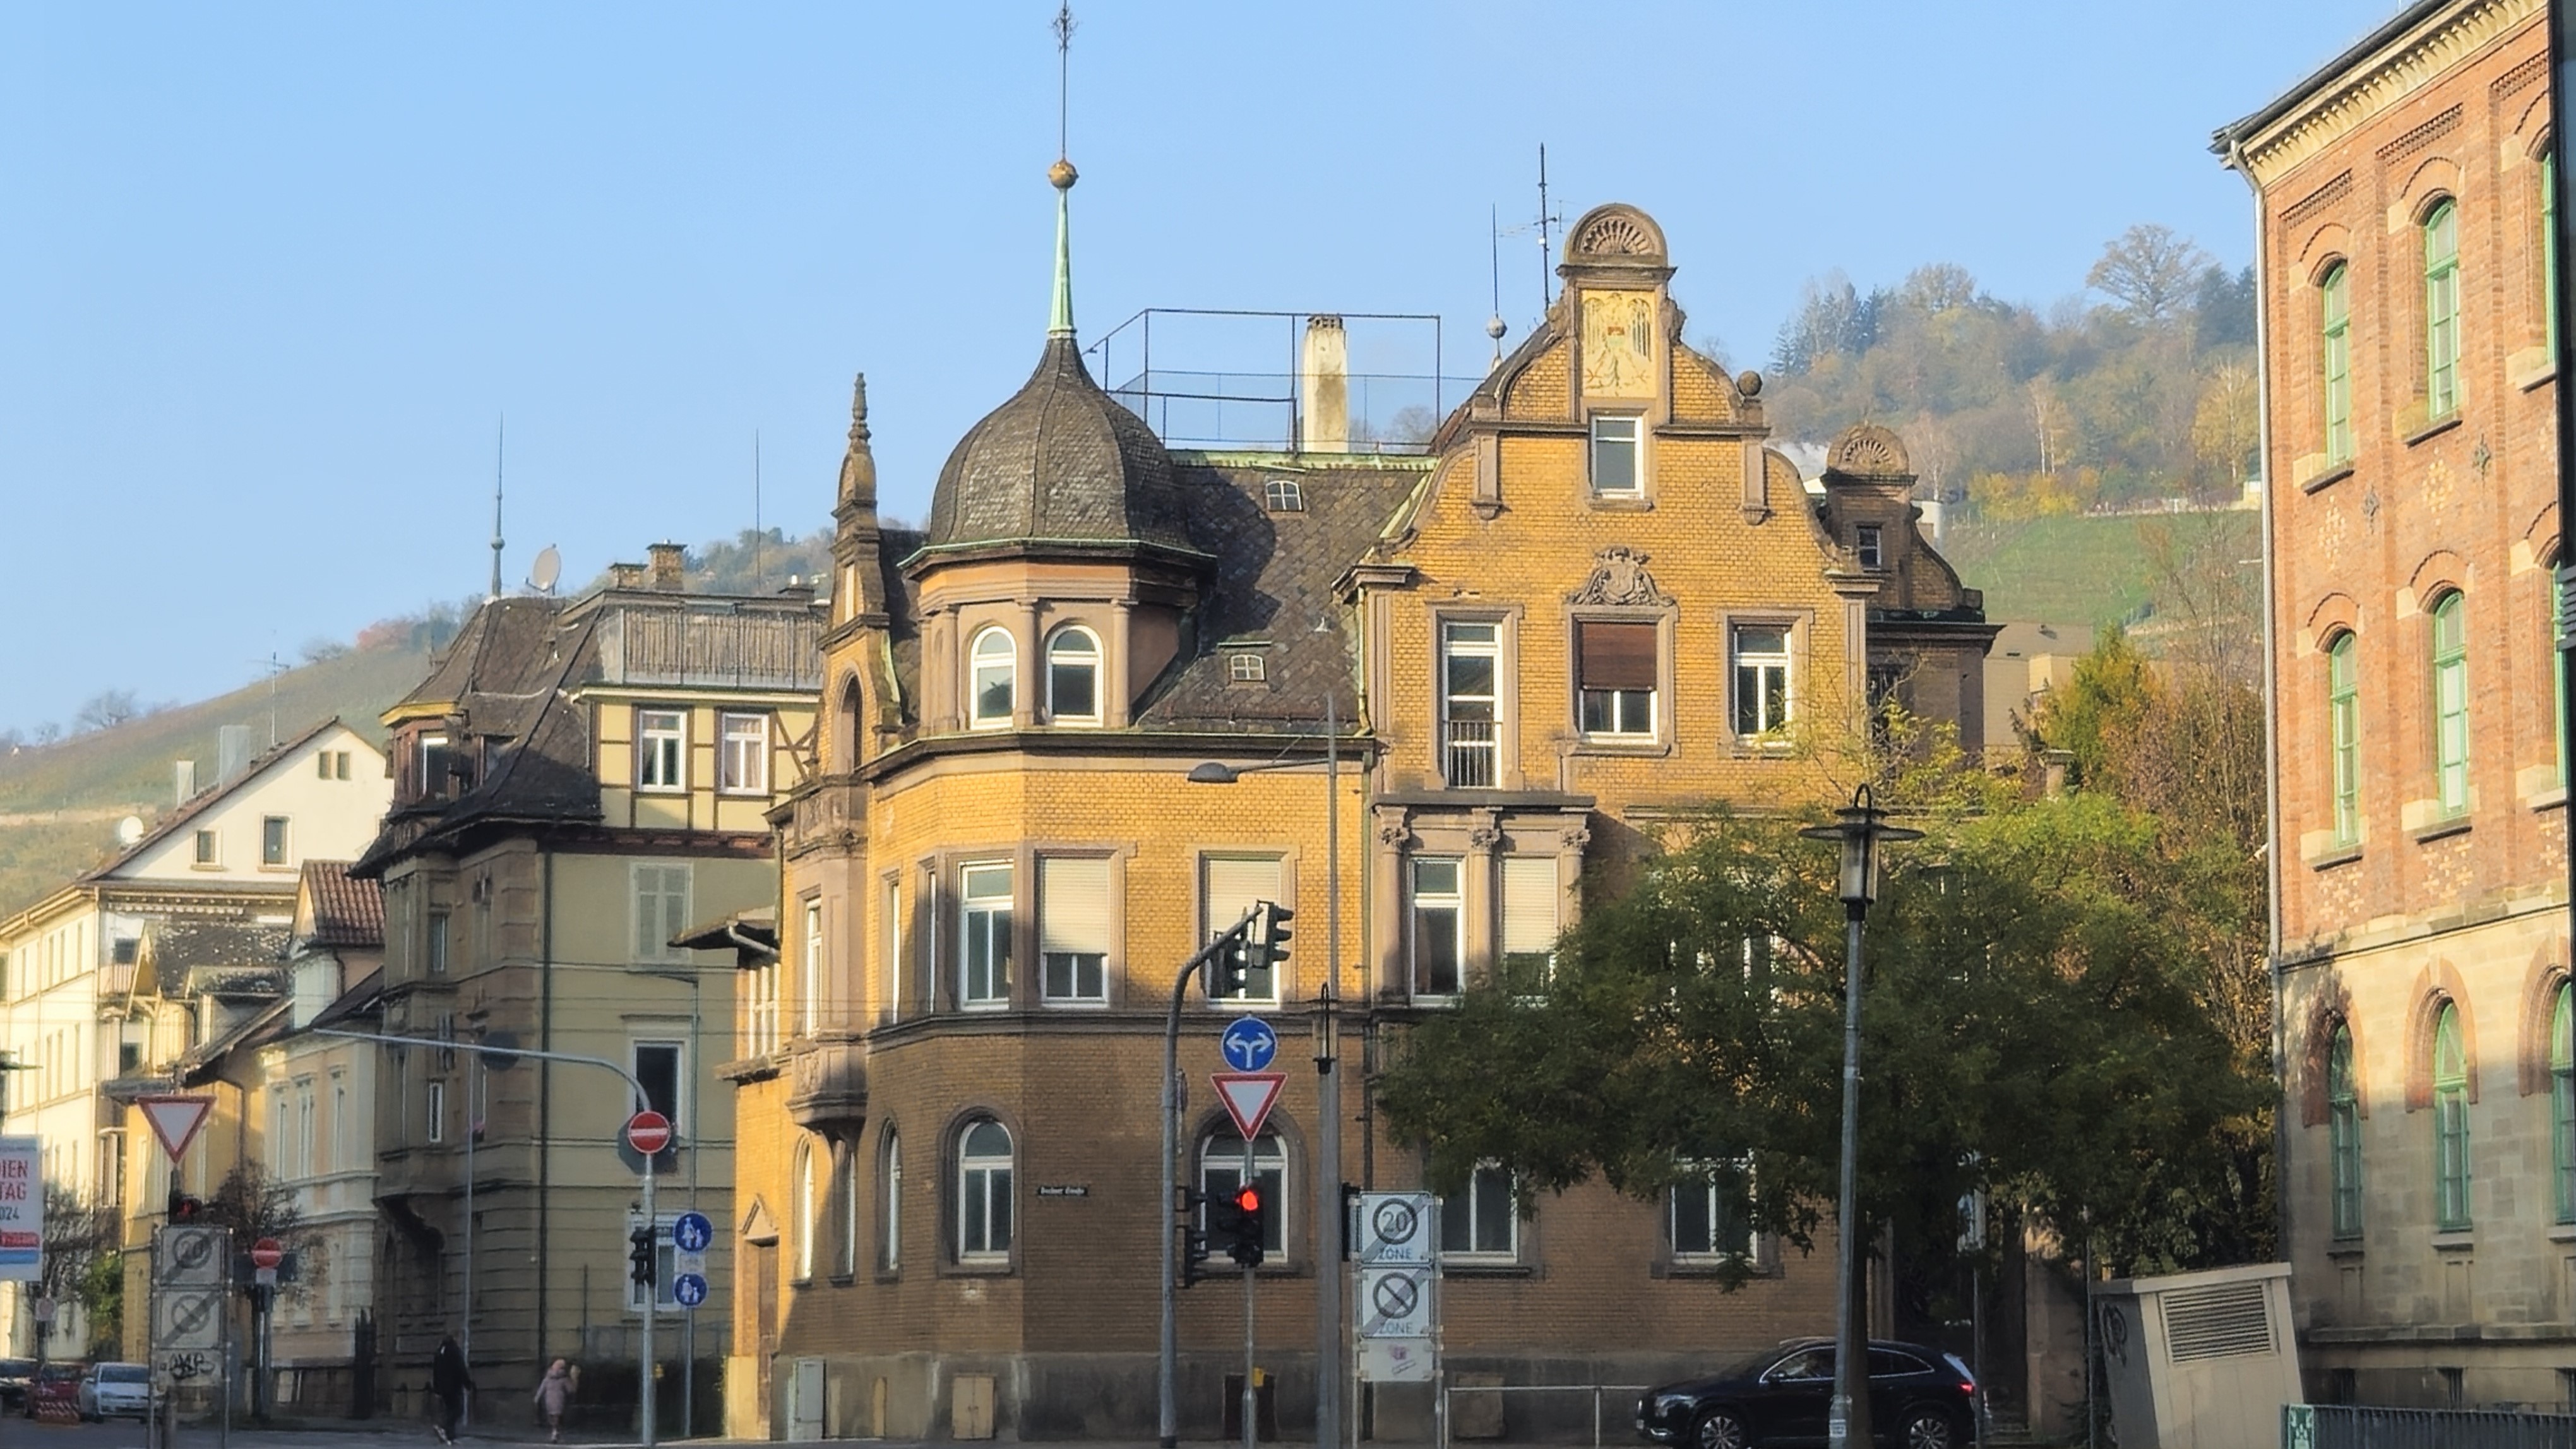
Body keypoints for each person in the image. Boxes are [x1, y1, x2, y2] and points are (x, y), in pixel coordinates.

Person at [431, 1335, 473, 1445]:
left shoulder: (440, 1352)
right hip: (454, 1387)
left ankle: (450, 1436)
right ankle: (443, 1427)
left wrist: (437, 1388)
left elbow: (435, 1371)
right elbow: (461, 1368)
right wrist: (468, 1384)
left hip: (443, 1388)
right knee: (458, 1410)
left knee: (450, 1410)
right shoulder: (455, 1351)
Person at [534, 1359, 575, 1443]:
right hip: (560, 1400)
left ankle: (555, 1433)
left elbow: (542, 1389)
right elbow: (571, 1390)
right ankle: (556, 1432)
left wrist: (537, 1398)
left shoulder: (547, 1378)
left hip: (549, 1400)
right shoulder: (564, 1379)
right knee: (557, 1418)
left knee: (552, 1417)